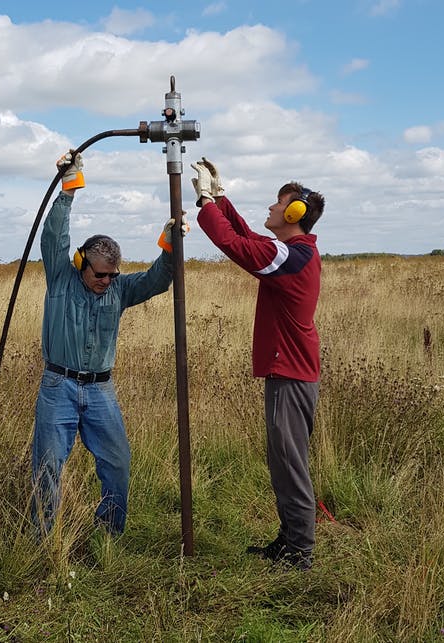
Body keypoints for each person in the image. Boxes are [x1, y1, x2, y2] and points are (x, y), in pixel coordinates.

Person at [31, 150, 181, 537]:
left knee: (117, 462)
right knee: (48, 465)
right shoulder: (61, 279)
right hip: (57, 386)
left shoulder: (120, 289)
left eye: (113, 275)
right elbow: (53, 236)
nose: (108, 281)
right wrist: (69, 188)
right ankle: (43, 538)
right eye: (101, 274)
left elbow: (156, 280)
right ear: (82, 264)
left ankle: (109, 532)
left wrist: (169, 245)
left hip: (101, 389)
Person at [192, 158, 324, 570]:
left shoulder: (294, 257)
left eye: (276, 203)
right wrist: (220, 197)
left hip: (292, 377)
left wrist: (204, 199)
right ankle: (289, 542)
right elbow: (249, 236)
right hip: (288, 373)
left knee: (290, 465)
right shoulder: (292, 253)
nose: (269, 208)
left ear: (294, 213)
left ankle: (300, 554)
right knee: (283, 462)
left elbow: (238, 247)